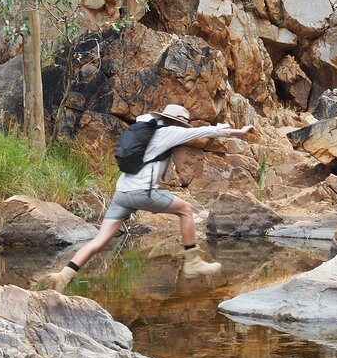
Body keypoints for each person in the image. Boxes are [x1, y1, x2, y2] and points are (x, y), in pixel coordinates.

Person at [40, 104, 255, 292]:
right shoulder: (169, 132)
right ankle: (193, 261)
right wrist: (239, 131)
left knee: (100, 240)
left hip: (122, 193)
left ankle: (64, 275)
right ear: (177, 122)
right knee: (186, 209)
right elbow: (203, 131)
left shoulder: (146, 129)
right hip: (141, 192)